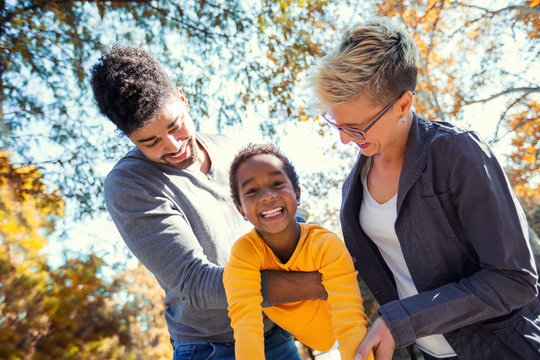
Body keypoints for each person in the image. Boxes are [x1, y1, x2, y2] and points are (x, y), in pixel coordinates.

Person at [308, 17, 540, 360]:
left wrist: (402, 321)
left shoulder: (458, 152)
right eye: (337, 123)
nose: (344, 139)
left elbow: (514, 280)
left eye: (357, 128)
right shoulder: (353, 186)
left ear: (404, 104)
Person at [90, 46, 328, 360]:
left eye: (175, 126)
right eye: (151, 142)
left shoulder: (231, 150)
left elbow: (280, 223)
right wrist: (317, 285)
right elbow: (197, 282)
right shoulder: (129, 185)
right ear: (129, 137)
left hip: (276, 334)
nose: (172, 146)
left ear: (182, 99)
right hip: (213, 350)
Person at [223, 143, 374, 360]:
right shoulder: (243, 253)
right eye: (252, 191)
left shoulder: (327, 246)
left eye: (277, 183)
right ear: (241, 210)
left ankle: (299, 218)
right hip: (290, 328)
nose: (266, 195)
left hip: (326, 322)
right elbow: (246, 326)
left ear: (297, 193)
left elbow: (351, 326)